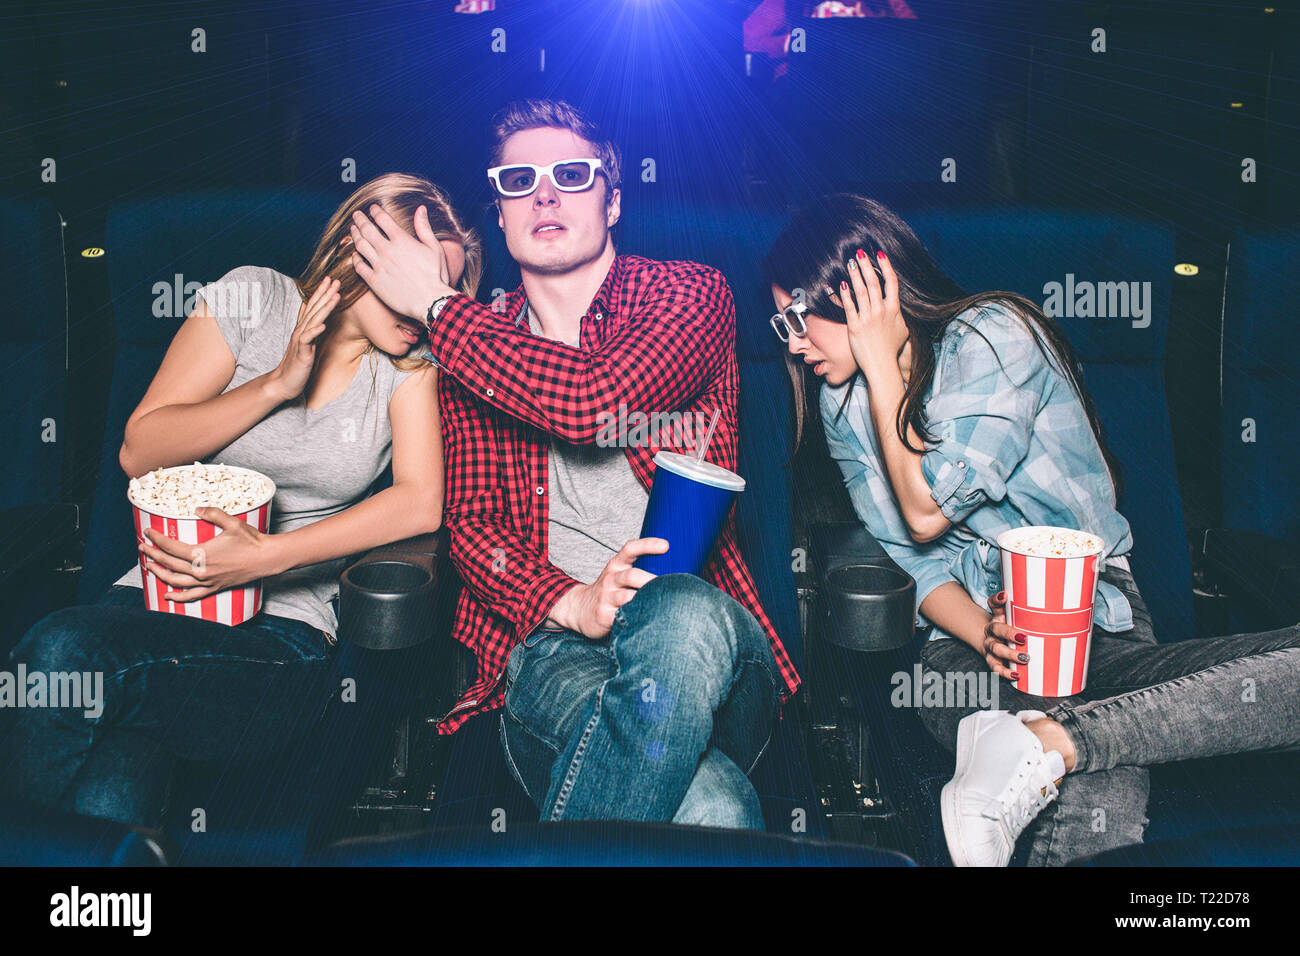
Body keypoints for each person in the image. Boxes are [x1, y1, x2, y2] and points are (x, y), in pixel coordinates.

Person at [762, 192, 1300, 865]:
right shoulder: (842, 408)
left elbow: (929, 505)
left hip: (1094, 619)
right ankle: (1047, 739)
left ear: (867, 289)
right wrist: (982, 631)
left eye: (797, 317)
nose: (792, 341)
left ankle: (1054, 741)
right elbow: (920, 558)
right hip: (969, 653)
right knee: (1089, 786)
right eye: (780, 325)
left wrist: (881, 371)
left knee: (1101, 793)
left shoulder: (994, 336)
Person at [348, 98, 801, 828]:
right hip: (554, 652)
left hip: (710, 646)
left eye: (572, 173)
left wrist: (437, 305)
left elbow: (596, 402)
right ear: (499, 211)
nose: (546, 193)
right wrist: (571, 603)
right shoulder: (473, 339)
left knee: (678, 612)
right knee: (713, 807)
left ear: (614, 200)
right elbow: (473, 524)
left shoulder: (690, 294)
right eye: (520, 180)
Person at [1, 173, 480, 828]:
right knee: (111, 784)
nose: (422, 306)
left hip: (282, 637)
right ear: (358, 251)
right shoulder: (253, 296)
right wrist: (277, 384)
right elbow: (140, 451)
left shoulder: (410, 366)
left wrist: (265, 559)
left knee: (58, 653)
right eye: (411, 275)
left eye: (441, 290)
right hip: (152, 598)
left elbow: (421, 503)